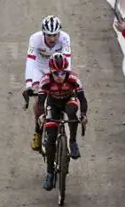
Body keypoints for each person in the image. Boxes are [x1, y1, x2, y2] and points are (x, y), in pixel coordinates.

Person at [31, 53, 87, 191]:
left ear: (66, 70)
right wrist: (42, 115)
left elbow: (83, 99)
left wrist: (84, 115)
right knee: (50, 139)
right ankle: (50, 172)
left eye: (62, 72)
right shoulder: (46, 81)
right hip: (53, 104)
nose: (60, 76)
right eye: (56, 73)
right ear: (51, 72)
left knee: (72, 112)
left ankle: (72, 141)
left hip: (68, 100)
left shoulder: (74, 79)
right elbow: (41, 102)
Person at [23, 15, 72, 151]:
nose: (52, 39)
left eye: (55, 35)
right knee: (39, 100)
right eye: (49, 35)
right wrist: (29, 84)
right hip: (39, 70)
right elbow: (31, 61)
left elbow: (68, 61)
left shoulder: (65, 38)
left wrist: (67, 80)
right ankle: (38, 132)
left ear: (59, 33)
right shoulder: (35, 38)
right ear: (43, 33)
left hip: (57, 70)